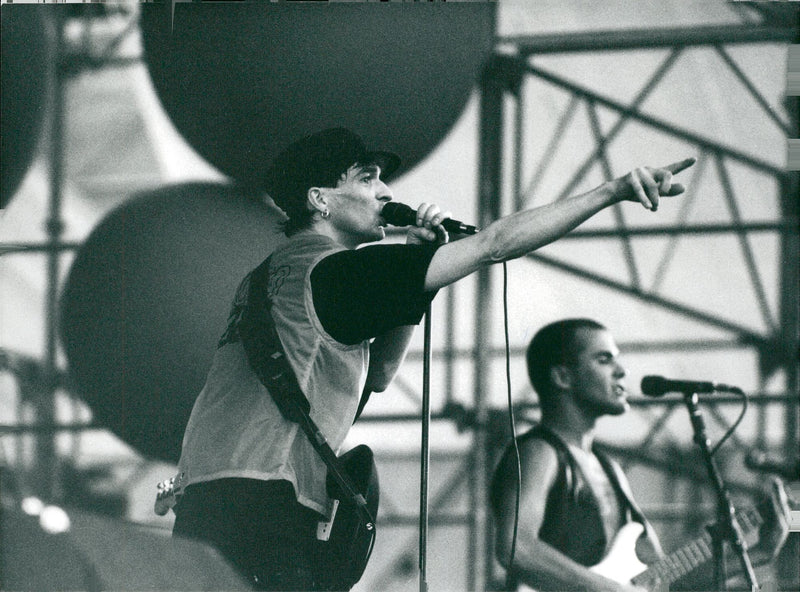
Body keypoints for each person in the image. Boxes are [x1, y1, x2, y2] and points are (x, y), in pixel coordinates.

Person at [169, 127, 695, 591]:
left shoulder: (270, 276)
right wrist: (613, 189)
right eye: (367, 179)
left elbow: (379, 375)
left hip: (205, 497)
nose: (386, 192)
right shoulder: (340, 271)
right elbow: (494, 244)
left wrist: (418, 275)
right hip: (271, 505)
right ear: (320, 199)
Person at [490, 319, 790, 592]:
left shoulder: (609, 469)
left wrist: (758, 553)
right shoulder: (538, 452)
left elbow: (663, 578)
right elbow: (516, 546)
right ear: (562, 377)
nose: (622, 371)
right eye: (604, 359)